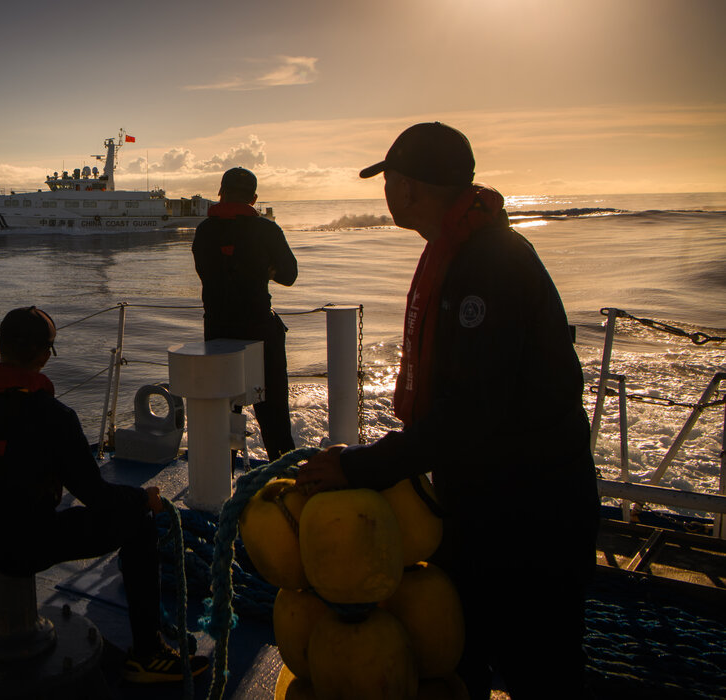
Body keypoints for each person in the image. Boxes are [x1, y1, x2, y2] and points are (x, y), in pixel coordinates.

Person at [296, 123, 599, 699]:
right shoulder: (464, 251)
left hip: (532, 514)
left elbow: (472, 413)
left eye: (388, 181)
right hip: (487, 501)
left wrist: (360, 467)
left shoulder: (489, 264)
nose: (385, 194)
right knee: (467, 655)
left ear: (407, 188)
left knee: (542, 666)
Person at [0, 305, 208, 684]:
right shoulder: (53, 416)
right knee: (139, 523)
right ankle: (147, 655)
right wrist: (142, 498)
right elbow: (95, 495)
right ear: (46, 356)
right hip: (26, 545)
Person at [192, 167, 298, 460]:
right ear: (253, 198)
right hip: (260, 333)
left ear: (220, 193)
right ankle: (283, 473)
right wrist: (266, 269)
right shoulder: (267, 230)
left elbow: (207, 273)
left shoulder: (204, 231)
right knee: (274, 415)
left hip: (218, 334)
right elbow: (290, 275)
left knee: (223, 415)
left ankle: (220, 484)